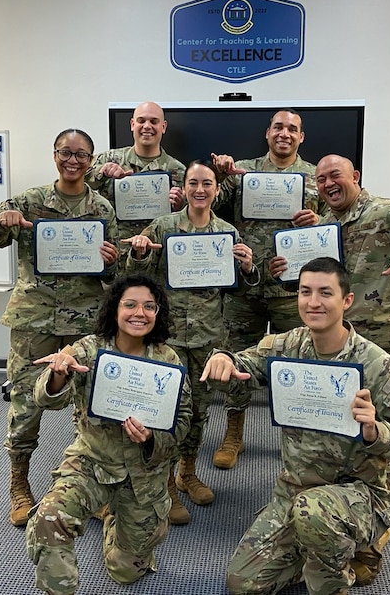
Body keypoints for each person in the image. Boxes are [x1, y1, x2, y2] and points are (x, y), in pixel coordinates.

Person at [201, 257, 390, 595]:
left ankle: (352, 551)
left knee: (313, 515)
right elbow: (243, 364)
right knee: (242, 584)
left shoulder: (377, 366)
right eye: (305, 292)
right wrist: (223, 358)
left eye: (325, 293)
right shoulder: (286, 347)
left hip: (360, 493)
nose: (313, 302)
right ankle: (319, 542)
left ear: (347, 301)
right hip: (296, 490)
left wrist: (377, 432)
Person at [0, 128, 120, 528]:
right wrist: (1, 221)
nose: (73, 161)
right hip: (34, 317)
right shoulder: (28, 200)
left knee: (89, 404)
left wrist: (110, 259)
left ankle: (90, 485)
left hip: (86, 318)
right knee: (25, 399)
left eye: (81, 155)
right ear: (54, 155)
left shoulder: (102, 207)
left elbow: (115, 268)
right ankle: (19, 486)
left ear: (91, 160)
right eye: (65, 153)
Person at [26, 273, 192, 595]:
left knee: (124, 571)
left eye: (148, 306)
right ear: (115, 309)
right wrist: (58, 374)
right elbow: (45, 398)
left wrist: (152, 438)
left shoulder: (168, 360)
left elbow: (182, 421)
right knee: (49, 518)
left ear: (157, 314)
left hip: (143, 476)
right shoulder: (88, 350)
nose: (138, 313)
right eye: (129, 305)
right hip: (93, 462)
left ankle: (113, 518)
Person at [123, 159, 258, 525]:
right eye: (194, 183)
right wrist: (137, 250)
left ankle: (187, 471)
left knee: (198, 411)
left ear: (216, 189)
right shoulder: (165, 226)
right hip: (166, 337)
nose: (200, 190)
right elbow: (136, 275)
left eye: (208, 183)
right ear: (184, 188)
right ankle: (165, 483)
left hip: (207, 336)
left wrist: (247, 267)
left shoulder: (228, 232)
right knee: (164, 410)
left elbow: (242, 288)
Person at [209, 108, 326, 471]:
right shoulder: (243, 172)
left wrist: (321, 220)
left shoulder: (315, 177)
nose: (285, 133)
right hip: (245, 285)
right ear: (267, 132)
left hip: (295, 292)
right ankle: (233, 433)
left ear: (301, 137)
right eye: (279, 127)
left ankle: (299, 440)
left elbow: (340, 223)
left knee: (300, 366)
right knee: (237, 362)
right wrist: (218, 173)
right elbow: (204, 203)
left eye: (293, 129)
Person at [271, 154, 390, 368]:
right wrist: (286, 274)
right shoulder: (323, 226)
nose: (328, 183)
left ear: (355, 177)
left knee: (379, 395)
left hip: (380, 330)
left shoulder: (386, 211)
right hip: (335, 330)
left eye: (335, 175)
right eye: (321, 179)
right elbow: (321, 277)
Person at [86, 101, 186, 253]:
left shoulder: (178, 170)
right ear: (132, 124)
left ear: (163, 127)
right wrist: (102, 172)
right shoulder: (110, 159)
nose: (147, 126)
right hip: (117, 254)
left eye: (153, 121)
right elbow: (78, 182)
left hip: (159, 255)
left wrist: (180, 205)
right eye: (141, 121)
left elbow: (189, 218)